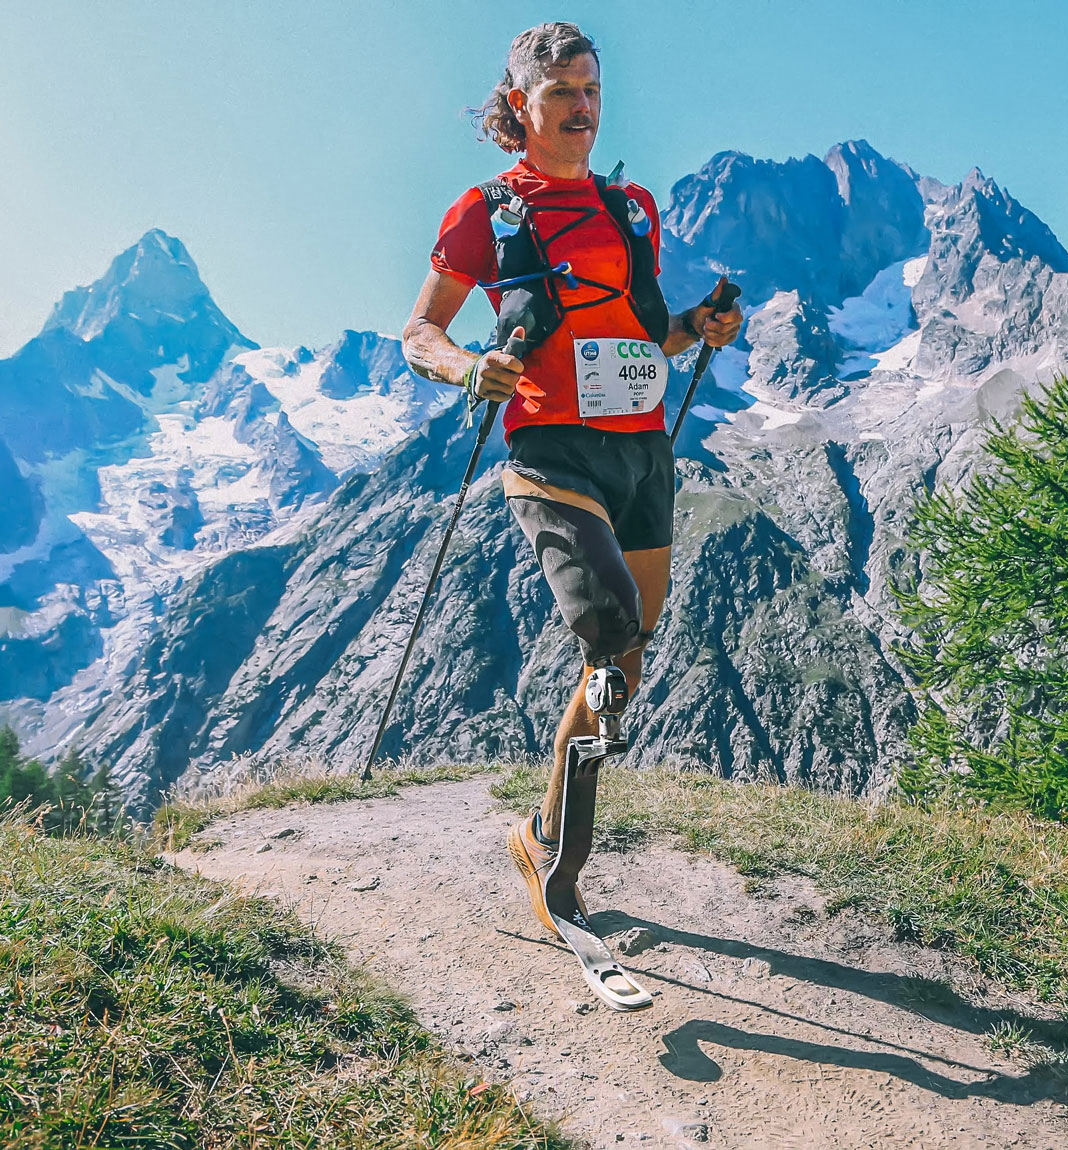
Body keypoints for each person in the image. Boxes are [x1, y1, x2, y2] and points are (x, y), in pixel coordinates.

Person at [402, 22, 741, 935]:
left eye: (591, 90)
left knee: (625, 661)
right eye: (562, 93)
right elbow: (419, 333)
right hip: (550, 450)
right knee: (610, 625)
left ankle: (543, 827)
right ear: (521, 104)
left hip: (643, 453)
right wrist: (468, 367)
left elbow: (642, 332)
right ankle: (564, 868)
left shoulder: (631, 208)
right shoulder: (487, 210)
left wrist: (700, 325)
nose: (582, 107)